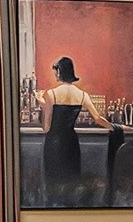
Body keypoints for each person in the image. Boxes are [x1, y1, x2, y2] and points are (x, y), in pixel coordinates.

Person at [35, 55, 119, 202]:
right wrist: (116, 127)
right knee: (71, 184)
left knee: (53, 184)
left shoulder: (51, 94)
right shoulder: (82, 95)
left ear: (60, 72)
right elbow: (98, 119)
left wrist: (41, 103)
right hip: (71, 143)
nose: (55, 75)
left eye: (55, 71)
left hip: (54, 143)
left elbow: (46, 127)